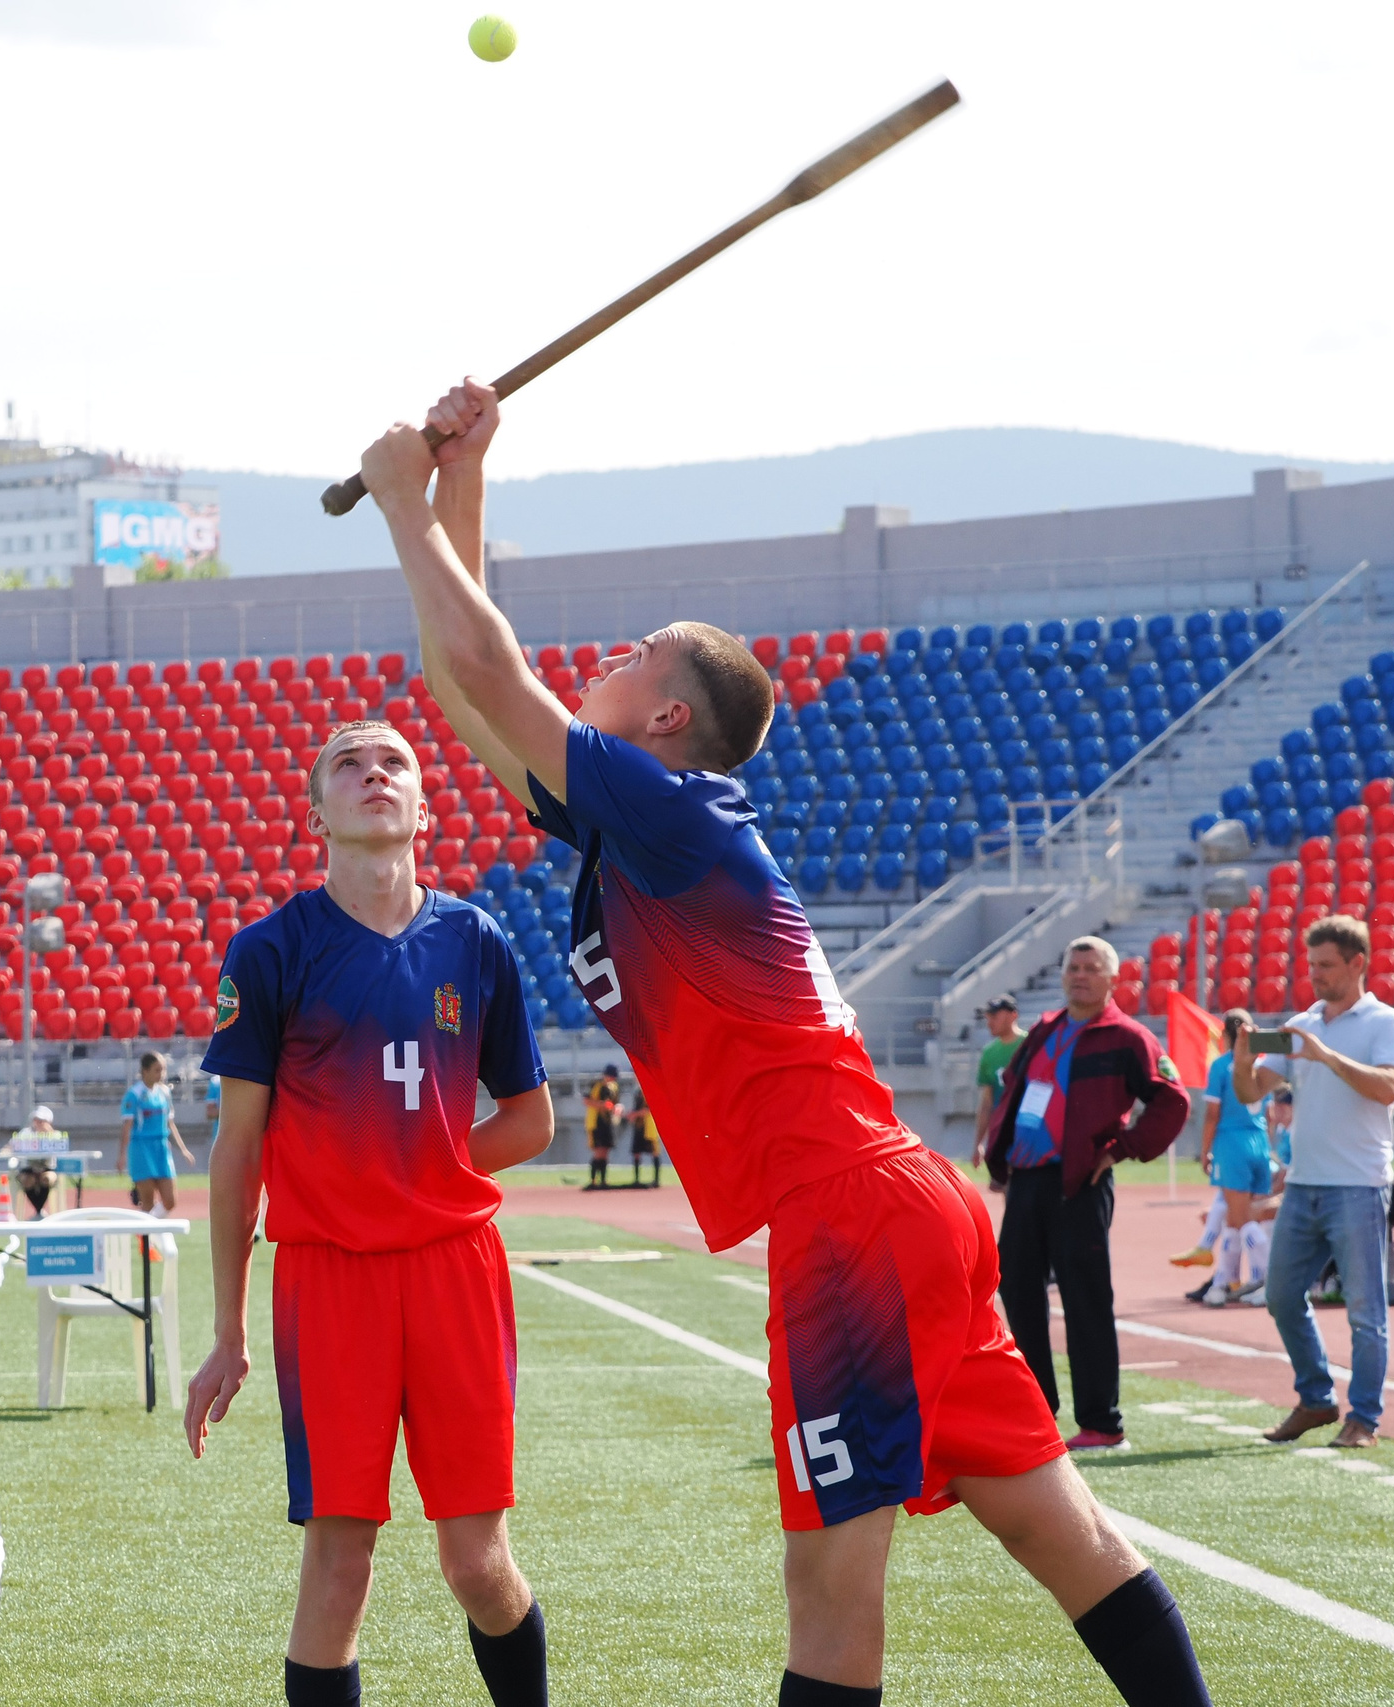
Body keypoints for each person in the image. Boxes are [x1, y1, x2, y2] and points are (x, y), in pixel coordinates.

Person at [363, 381, 1212, 1707]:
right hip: (897, 1196)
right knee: (1065, 1536)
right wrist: (461, 487)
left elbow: (485, 671)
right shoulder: (644, 822)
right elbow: (464, 682)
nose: (618, 654)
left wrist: (403, 503)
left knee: (832, 1597)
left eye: (643, 650)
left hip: (850, 1215)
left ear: (663, 717)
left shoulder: (665, 815)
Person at [187, 717, 557, 1707]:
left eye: (392, 761)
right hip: (329, 1280)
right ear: (317, 812)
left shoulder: (474, 941)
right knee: (338, 1564)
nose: (372, 774)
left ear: (423, 807)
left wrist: (423, 1165)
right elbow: (238, 1152)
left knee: (477, 1566)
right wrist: (226, 1331)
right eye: (347, 765)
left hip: (454, 1269)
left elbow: (530, 1121)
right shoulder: (270, 951)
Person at [984, 938, 1191, 1448]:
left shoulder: (1129, 1037)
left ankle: (1102, 1422)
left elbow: (1170, 1101)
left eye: (1090, 968)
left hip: (1080, 1182)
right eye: (1072, 966)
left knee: (1086, 1300)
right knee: (1019, 1295)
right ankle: (1036, 1415)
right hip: (1027, 1181)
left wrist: (1121, 1150)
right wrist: (1001, 1150)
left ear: (1112, 979)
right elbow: (1013, 1086)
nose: (1079, 975)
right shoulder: (1045, 1029)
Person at [1231, 915, 1394, 1449]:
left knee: (1364, 1309)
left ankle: (1365, 1419)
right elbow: (1250, 1091)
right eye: (1312, 966)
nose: (1317, 976)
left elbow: (1388, 1089)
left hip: (1358, 1184)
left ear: (1358, 963)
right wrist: (1243, 1063)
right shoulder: (1303, 1021)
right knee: (1282, 1296)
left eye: (1327, 966)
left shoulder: (1384, 1022)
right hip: (1305, 1184)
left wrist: (1324, 1055)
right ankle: (1315, 1397)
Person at [1196, 1013, 1274, 1308]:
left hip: (1232, 1144)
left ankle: (1266, 1281)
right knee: (1240, 1218)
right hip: (1259, 1142)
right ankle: (1224, 1283)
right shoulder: (1259, 1062)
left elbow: (1212, 1115)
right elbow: (1269, 1113)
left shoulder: (1220, 1066)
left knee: (1242, 1221)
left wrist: (1205, 1151)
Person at [119, 1053, 194, 1214]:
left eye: (163, 1070)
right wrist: (122, 1156)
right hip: (141, 1149)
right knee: (147, 1202)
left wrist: (183, 1150)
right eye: (157, 1070)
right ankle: (148, 1237)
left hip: (161, 1148)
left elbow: (170, 1123)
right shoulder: (134, 1095)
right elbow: (127, 1126)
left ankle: (143, 1230)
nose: (162, 1074)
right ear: (145, 1071)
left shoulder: (165, 1093)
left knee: (170, 1201)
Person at [972, 996, 1025, 1177]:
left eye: (994, 1016)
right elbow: (987, 1102)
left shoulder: (1029, 1045)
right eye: (988, 1017)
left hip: (1027, 1129)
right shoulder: (989, 1053)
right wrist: (979, 1143)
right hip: (1002, 1130)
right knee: (1006, 1187)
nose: (989, 1022)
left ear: (1013, 1015)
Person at [11, 1103, 66, 1218]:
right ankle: (38, 1210)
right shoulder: (25, 1133)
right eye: (36, 1119)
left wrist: (48, 1134)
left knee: (46, 1179)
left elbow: (61, 1148)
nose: (38, 1123)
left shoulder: (55, 1135)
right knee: (27, 1180)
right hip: (28, 1169)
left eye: (41, 1120)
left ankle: (39, 1210)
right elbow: (12, 1146)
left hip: (48, 1168)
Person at [583, 1066, 621, 1189]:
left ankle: (603, 1180)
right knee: (598, 1151)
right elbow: (586, 1101)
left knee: (605, 1150)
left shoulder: (614, 1087)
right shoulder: (596, 1084)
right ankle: (593, 1180)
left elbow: (615, 1103)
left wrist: (617, 1108)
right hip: (596, 1122)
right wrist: (602, 1105)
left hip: (608, 1122)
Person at [625, 1079, 662, 1188]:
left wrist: (634, 1114)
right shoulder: (637, 1091)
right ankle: (636, 1179)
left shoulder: (650, 1089)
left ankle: (656, 1179)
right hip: (639, 1126)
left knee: (654, 1151)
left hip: (649, 1125)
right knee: (636, 1152)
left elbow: (649, 1109)